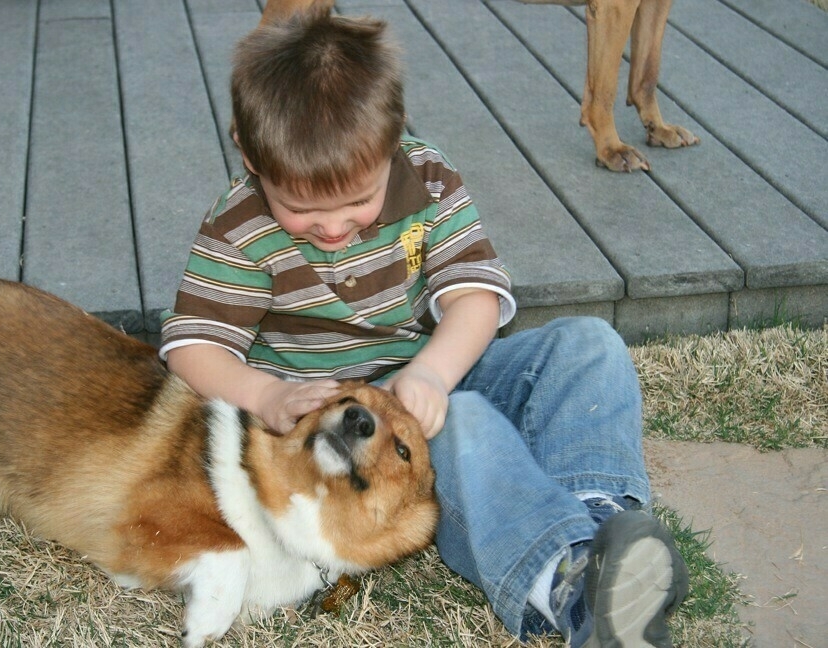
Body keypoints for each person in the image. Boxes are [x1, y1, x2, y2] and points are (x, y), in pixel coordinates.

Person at [160, 11, 688, 647]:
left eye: (358, 201)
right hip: (345, 427)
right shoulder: (239, 226)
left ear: (391, 145)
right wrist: (266, 396)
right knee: (464, 425)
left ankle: (606, 522)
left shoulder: (428, 177)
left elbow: (474, 300)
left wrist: (433, 372)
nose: (332, 228)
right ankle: (567, 582)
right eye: (300, 208)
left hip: (427, 372)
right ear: (250, 157)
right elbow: (193, 345)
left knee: (588, 346)